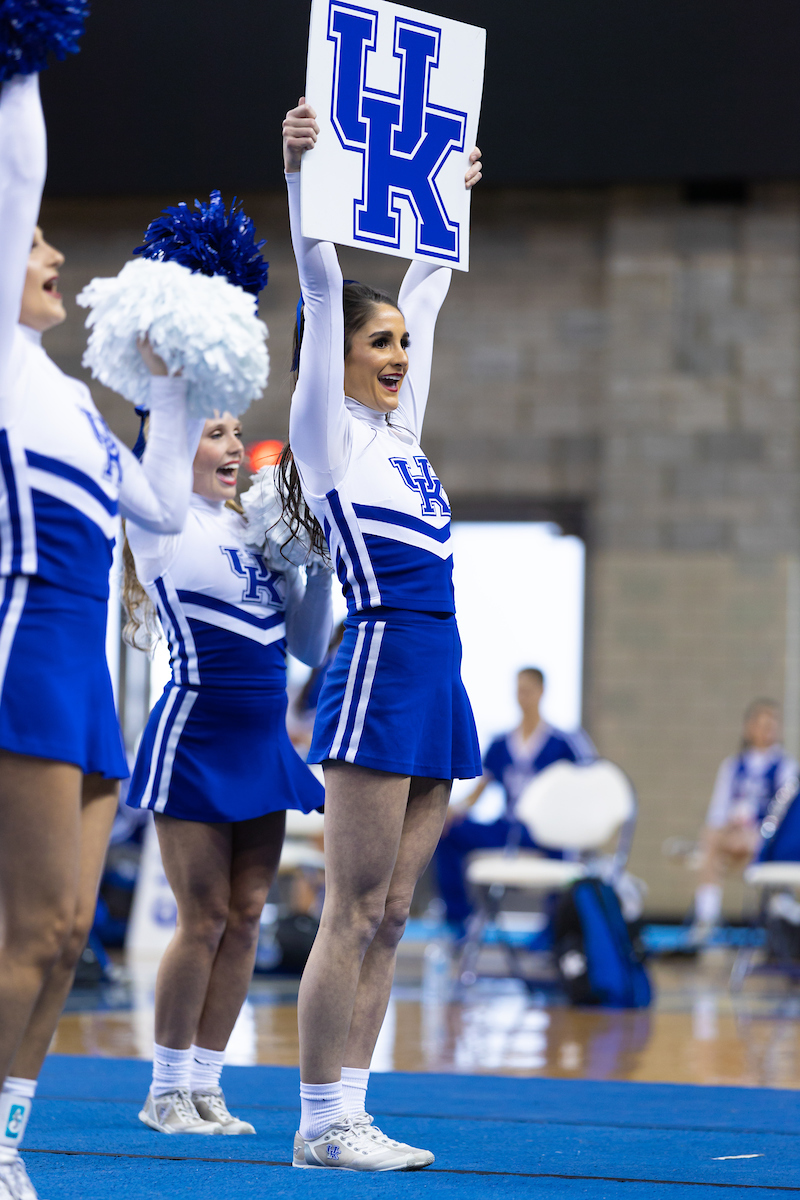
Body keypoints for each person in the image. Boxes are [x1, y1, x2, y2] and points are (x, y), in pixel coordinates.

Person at [0, 72, 194, 1200]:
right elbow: (18, 172)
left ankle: (11, 1137)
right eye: (32, 249)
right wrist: (20, 67)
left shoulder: (70, 398)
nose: (53, 260)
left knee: (69, 933)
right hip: (23, 645)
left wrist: (171, 386)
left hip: (85, 671)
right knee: (24, 925)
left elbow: (161, 506)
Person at [280, 98, 482, 1171]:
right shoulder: (328, 435)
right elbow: (318, 282)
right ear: (336, 355)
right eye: (379, 342)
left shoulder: (402, 436)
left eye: (401, 343)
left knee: (398, 910)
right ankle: (318, 1122)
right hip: (376, 660)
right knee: (350, 906)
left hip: (438, 669)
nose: (399, 353)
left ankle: (353, 1109)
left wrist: (449, 193)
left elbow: (430, 286)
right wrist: (299, 175)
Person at [123, 407, 333, 1134]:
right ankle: (165, 1090)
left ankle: (207, 1087)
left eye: (238, 434)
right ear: (176, 448)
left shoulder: (252, 523)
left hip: (261, 742)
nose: (236, 447)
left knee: (246, 919)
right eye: (215, 434)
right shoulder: (164, 524)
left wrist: (317, 563)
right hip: (197, 736)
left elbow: (307, 647)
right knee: (203, 918)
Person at [436, 667, 596, 935]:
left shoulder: (564, 743)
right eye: (519, 690)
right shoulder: (501, 744)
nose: (522, 697)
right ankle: (458, 919)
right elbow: (480, 791)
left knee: (565, 850)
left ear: (541, 692)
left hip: (544, 832)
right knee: (448, 832)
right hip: (507, 826)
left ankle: (553, 931)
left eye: (528, 690)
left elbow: (588, 784)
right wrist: (456, 809)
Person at [692, 698, 799, 940]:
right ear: (749, 728)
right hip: (733, 839)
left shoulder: (786, 768)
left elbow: (784, 818)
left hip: (765, 841)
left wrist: (757, 828)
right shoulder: (732, 766)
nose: (767, 730)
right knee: (710, 836)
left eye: (772, 725)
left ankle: (779, 909)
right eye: (761, 725)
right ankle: (706, 918)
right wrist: (731, 823)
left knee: (753, 838)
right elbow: (717, 811)